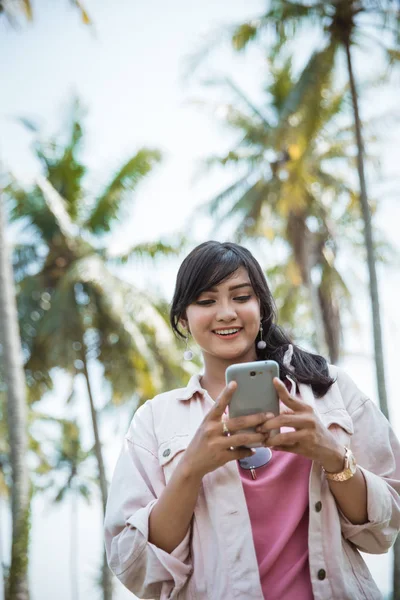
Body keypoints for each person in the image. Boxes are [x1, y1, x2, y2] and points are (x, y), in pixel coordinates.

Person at [104, 241, 400, 600]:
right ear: (183, 318)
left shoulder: (329, 390)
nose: (226, 313)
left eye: (241, 297)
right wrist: (190, 469)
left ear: (261, 307)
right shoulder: (154, 420)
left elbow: (387, 523)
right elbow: (136, 566)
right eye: (206, 301)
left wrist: (333, 456)